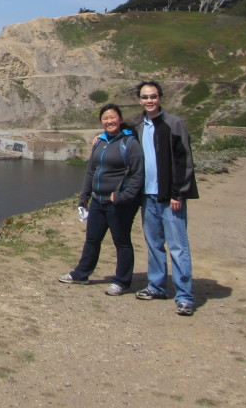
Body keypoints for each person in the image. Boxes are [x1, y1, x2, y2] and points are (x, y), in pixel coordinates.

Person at [59, 104, 144, 295]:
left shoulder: (130, 143)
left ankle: (122, 281)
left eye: (113, 117)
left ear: (120, 119)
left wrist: (124, 196)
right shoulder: (100, 142)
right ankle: (81, 273)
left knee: (121, 241)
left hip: (118, 203)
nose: (109, 121)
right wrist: (84, 197)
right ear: (101, 122)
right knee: (92, 239)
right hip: (98, 200)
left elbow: (138, 174)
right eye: (105, 118)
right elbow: (91, 171)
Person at [132, 80, 199, 316]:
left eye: (153, 96)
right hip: (147, 195)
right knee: (154, 244)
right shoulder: (138, 125)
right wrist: (100, 139)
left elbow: (184, 161)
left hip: (170, 197)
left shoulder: (174, 124)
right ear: (139, 100)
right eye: (145, 97)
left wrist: (178, 192)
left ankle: (184, 295)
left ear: (160, 98)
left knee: (178, 246)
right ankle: (157, 286)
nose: (149, 100)